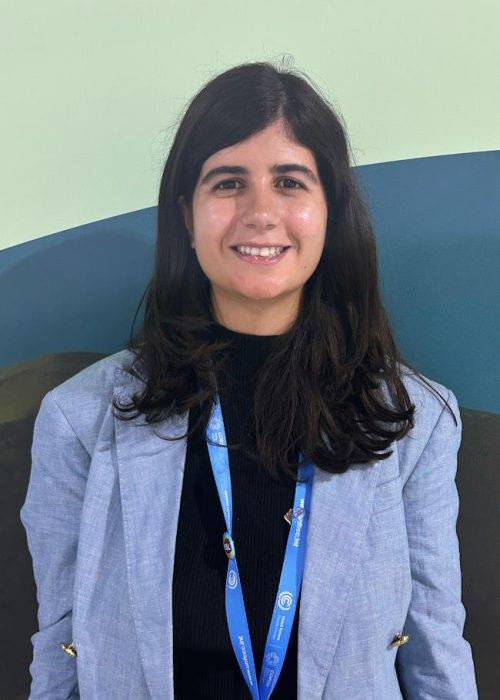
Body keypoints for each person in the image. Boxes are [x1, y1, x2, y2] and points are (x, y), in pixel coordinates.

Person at [20, 60, 478, 699]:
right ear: (187, 215)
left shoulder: (414, 423)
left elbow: (435, 653)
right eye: (229, 182)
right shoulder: (79, 419)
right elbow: (60, 653)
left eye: (290, 182)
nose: (261, 213)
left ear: (330, 211)